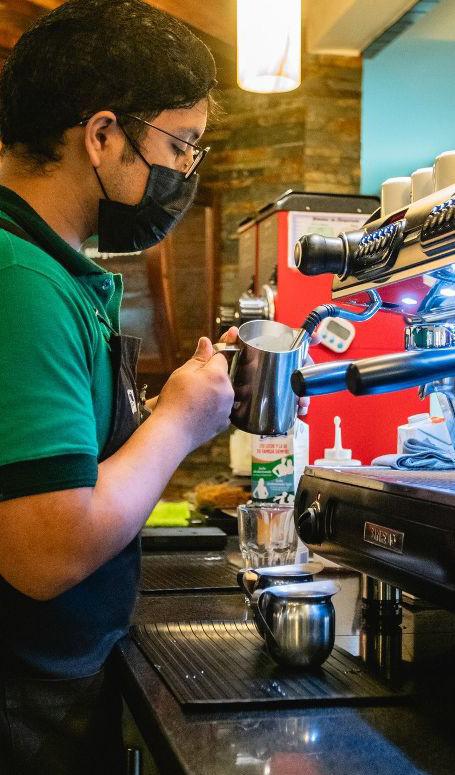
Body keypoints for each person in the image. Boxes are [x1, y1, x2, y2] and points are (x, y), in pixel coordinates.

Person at [0, 1, 236, 773]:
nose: (185, 173)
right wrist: (179, 422)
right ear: (101, 135)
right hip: (23, 702)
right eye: (181, 145)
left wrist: (171, 406)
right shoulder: (21, 280)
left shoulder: (49, 270)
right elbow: (46, 549)